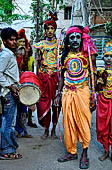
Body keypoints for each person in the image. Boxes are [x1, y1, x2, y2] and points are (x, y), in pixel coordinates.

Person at [55, 25, 97, 169]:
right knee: (68, 123)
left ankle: (85, 153)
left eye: (78, 37)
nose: (74, 40)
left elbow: (93, 75)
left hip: (82, 91)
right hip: (67, 93)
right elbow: (61, 76)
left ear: (81, 39)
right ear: (68, 40)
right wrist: (58, 93)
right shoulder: (65, 56)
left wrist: (93, 95)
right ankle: (72, 151)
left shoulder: (88, 54)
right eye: (71, 37)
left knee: (84, 123)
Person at [33, 11, 62, 139]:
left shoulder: (60, 45)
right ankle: (45, 129)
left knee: (56, 104)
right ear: (45, 30)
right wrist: (36, 80)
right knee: (43, 103)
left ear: (55, 29)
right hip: (43, 78)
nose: (50, 30)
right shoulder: (40, 45)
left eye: (52, 28)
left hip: (56, 78)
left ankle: (54, 129)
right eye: (48, 28)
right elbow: (37, 63)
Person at [0, 27, 22, 159]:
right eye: (11, 40)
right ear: (4, 41)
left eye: (15, 39)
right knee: (8, 123)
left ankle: (10, 148)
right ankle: (6, 151)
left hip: (11, 91)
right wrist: (10, 86)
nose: (14, 42)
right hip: (8, 93)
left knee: (9, 121)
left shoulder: (9, 54)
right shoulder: (6, 55)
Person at [96, 40, 112, 161]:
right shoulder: (100, 71)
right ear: (103, 56)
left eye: (111, 56)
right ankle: (106, 151)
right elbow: (96, 89)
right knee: (103, 126)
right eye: (106, 56)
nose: (109, 58)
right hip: (102, 100)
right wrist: (99, 82)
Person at [15, 28, 32, 138]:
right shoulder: (12, 56)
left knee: (23, 109)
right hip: (14, 85)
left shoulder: (28, 57)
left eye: (23, 42)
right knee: (15, 110)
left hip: (24, 85)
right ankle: (18, 131)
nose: (21, 44)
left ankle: (23, 130)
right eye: (19, 41)